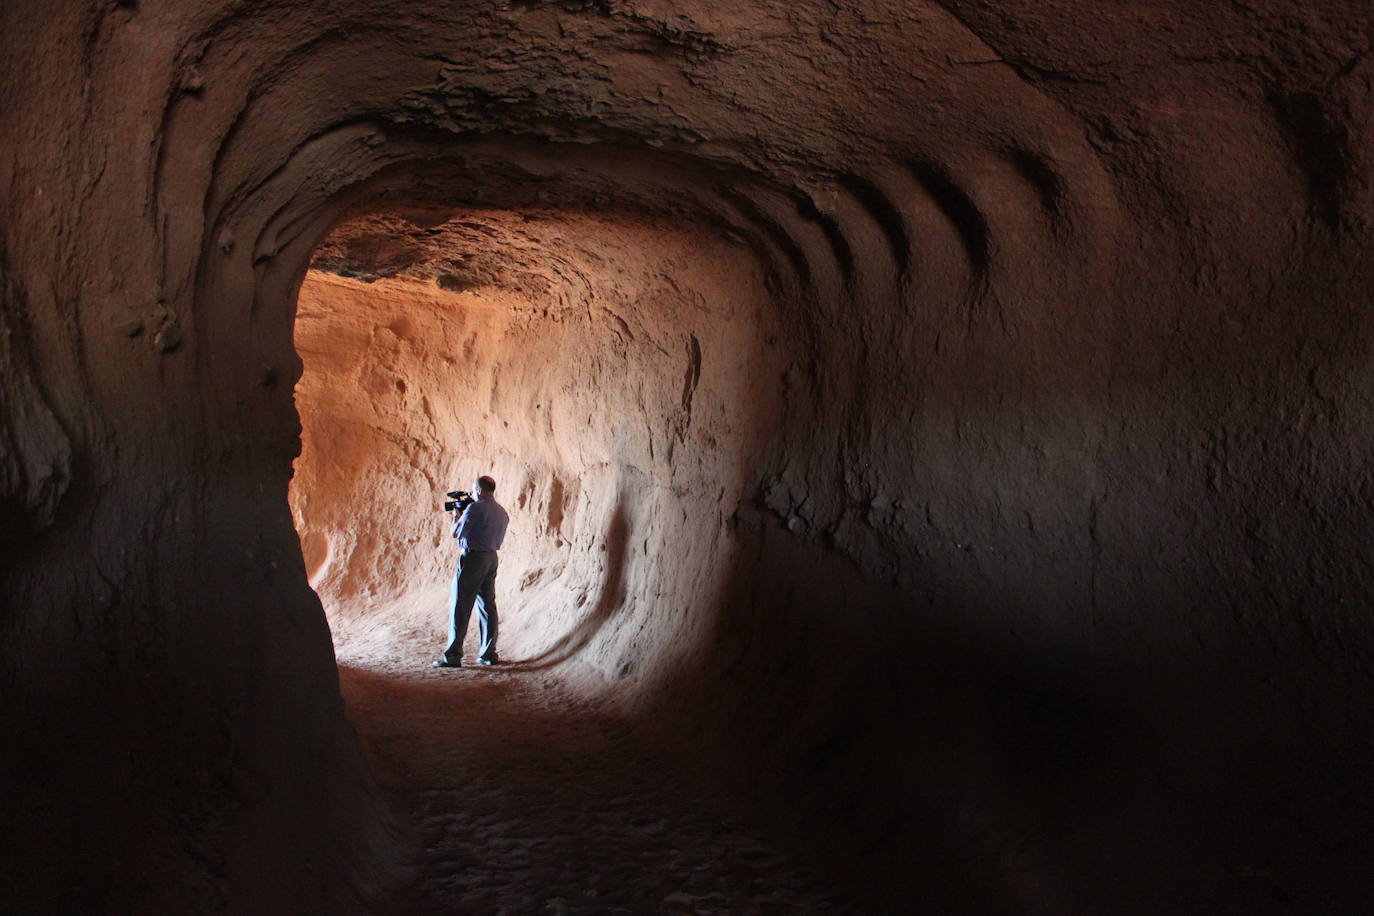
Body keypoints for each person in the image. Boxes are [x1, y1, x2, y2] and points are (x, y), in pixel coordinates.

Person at [433, 475, 509, 668]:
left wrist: (457, 516)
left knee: (460, 605)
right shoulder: (501, 511)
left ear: (479, 490)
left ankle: (453, 656)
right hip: (491, 558)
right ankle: (488, 654)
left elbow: (456, 532)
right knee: (487, 606)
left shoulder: (475, 508)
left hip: (473, 558)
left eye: (473, 491)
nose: (472, 494)